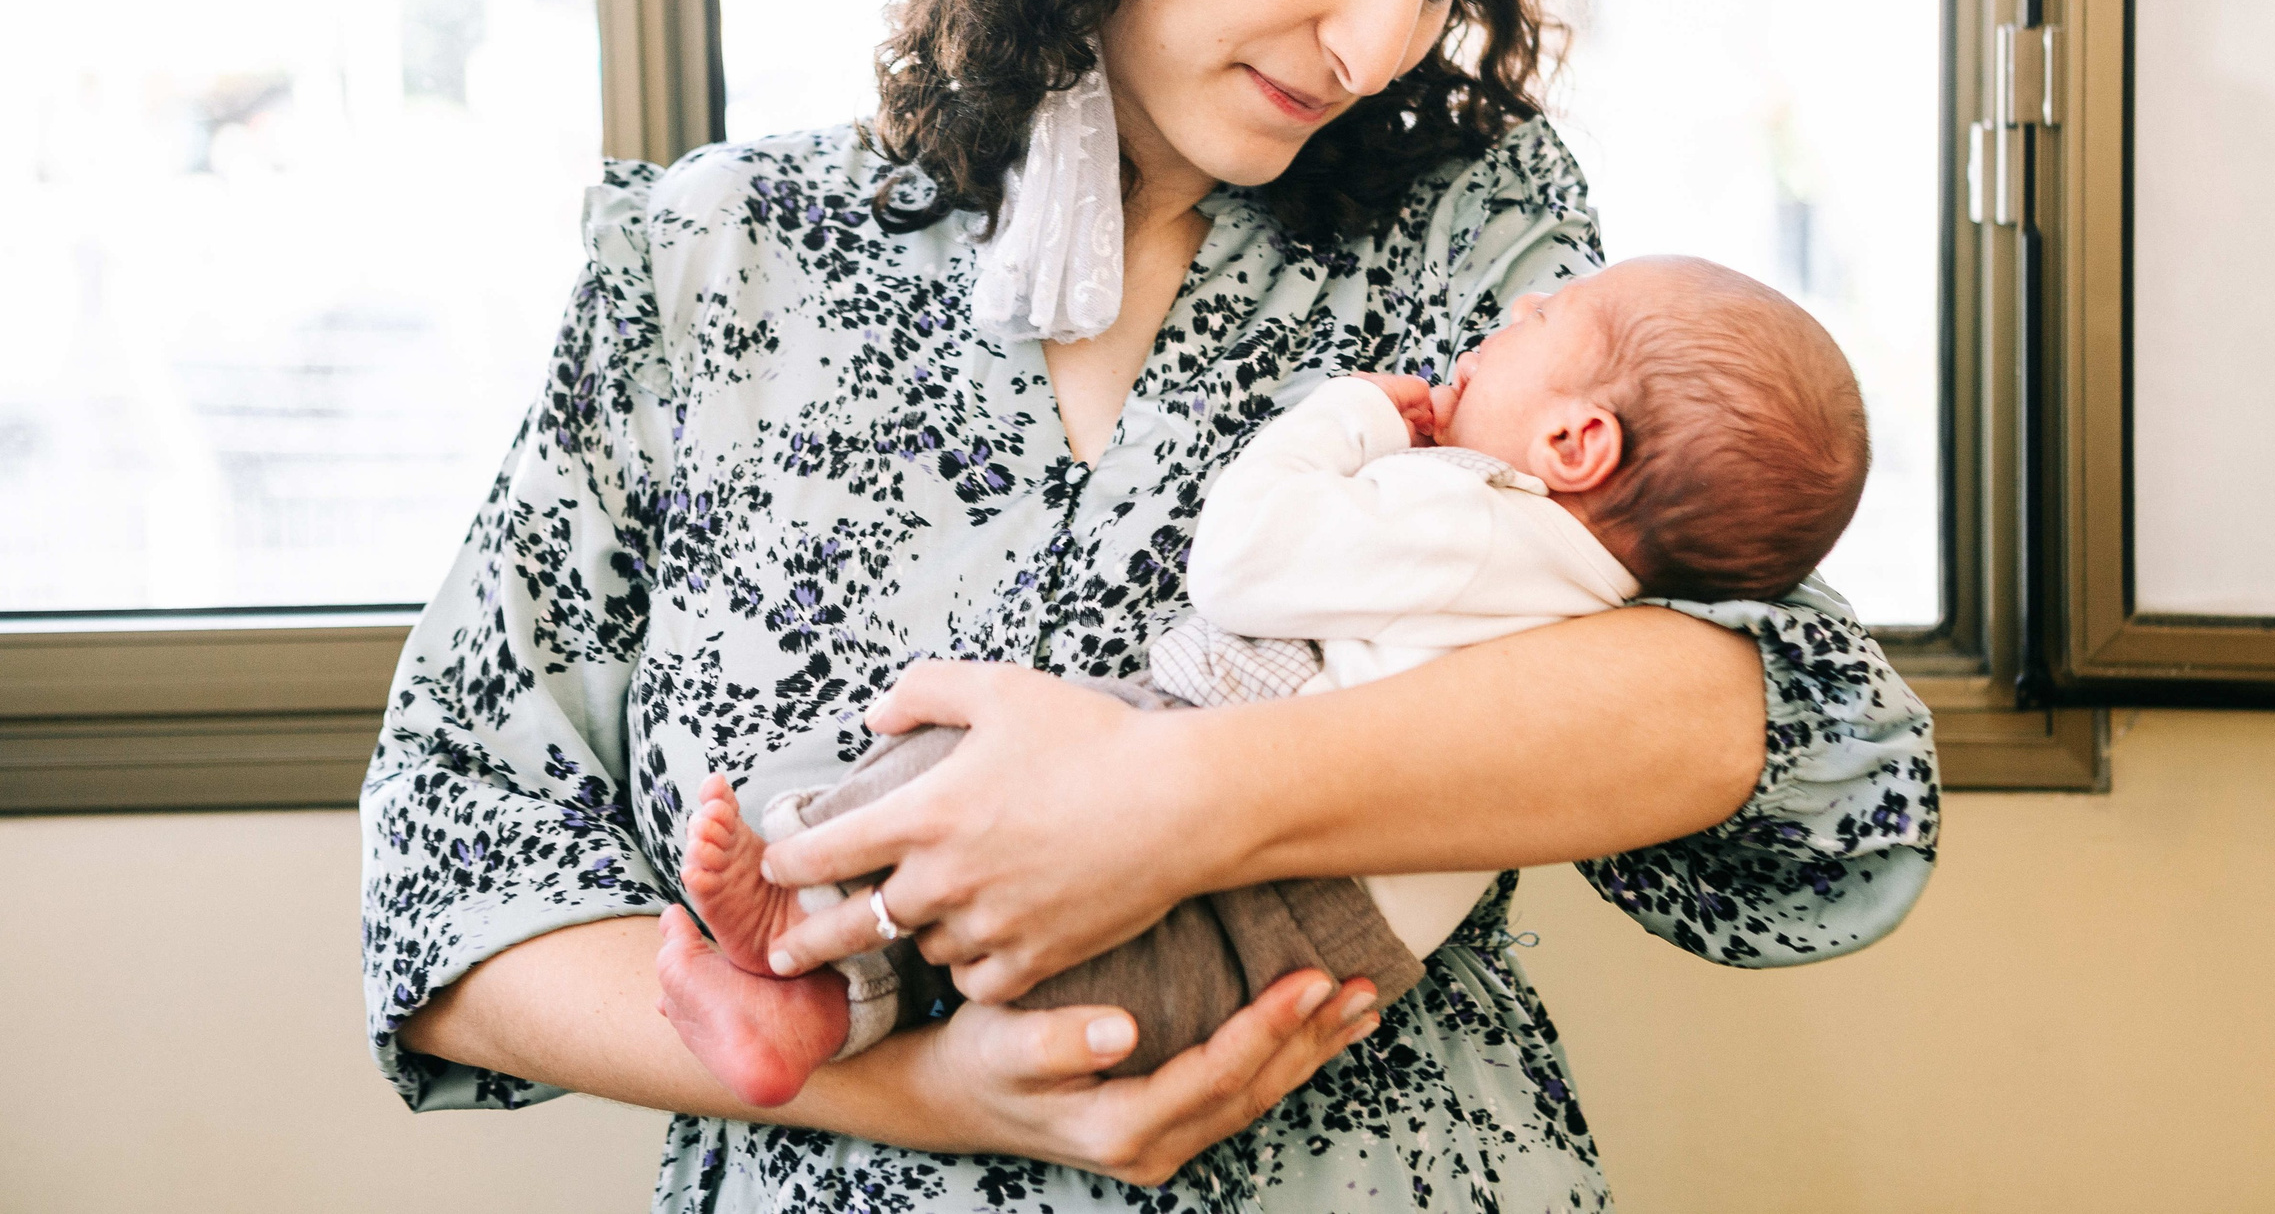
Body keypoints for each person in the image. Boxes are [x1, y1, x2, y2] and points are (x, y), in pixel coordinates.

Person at [363, 0, 1940, 1205]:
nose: (1379, 43)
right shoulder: (708, 262)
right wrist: (947, 1091)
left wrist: (1179, 797)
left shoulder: (1466, 242)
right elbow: (451, 889)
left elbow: (1793, 741)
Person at [664, 253, 1875, 1108]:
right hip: (1309, 962)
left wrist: (1345, 418)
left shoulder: (1470, 511)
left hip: (1239, 820)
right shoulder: (1586, 597)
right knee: (1043, 961)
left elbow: (1243, 566)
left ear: (1572, 445)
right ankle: (820, 1007)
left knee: (944, 757)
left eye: (1535, 322)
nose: (1513, 305)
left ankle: (798, 925)